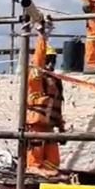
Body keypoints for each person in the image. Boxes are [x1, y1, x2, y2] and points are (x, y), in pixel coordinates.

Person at [26, 33, 65, 177]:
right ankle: (33, 167)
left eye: (53, 60)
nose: (50, 64)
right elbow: (38, 60)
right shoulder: (36, 78)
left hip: (49, 124)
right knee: (36, 146)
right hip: (37, 122)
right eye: (48, 59)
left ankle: (50, 170)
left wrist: (61, 126)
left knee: (53, 154)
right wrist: (42, 37)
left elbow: (57, 104)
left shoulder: (55, 81)